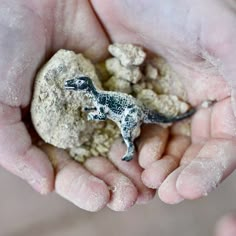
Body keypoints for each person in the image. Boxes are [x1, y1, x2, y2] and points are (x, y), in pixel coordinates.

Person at [1, 0, 236, 212]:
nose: (77, 86)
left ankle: (130, 148)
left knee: (128, 129)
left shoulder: (100, 98)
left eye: (79, 84)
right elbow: (99, 108)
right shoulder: (97, 95)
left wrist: (94, 116)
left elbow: (102, 112)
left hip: (131, 111)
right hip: (123, 105)